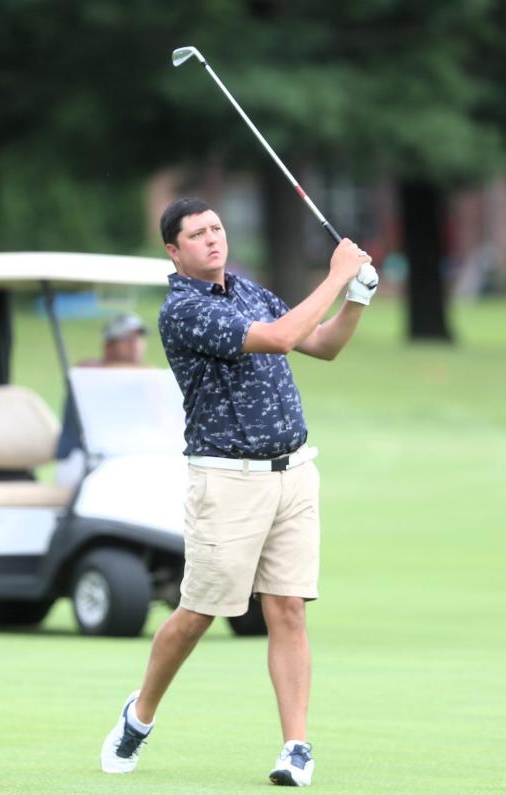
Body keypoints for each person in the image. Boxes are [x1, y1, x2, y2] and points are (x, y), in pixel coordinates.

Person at [99, 198, 378, 787]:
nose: (212, 239)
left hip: (294, 473)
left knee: (288, 609)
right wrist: (335, 274)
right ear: (173, 252)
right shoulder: (183, 311)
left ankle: (296, 748)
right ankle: (139, 715)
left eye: (217, 229)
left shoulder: (249, 290)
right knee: (199, 613)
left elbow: (321, 345)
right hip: (226, 481)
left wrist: (357, 298)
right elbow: (278, 339)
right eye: (196, 235)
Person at [54, 312, 148, 486]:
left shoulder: (143, 380)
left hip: (122, 458)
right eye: (126, 339)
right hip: (79, 460)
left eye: (139, 339)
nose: (135, 344)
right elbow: (94, 371)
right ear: (108, 346)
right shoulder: (88, 371)